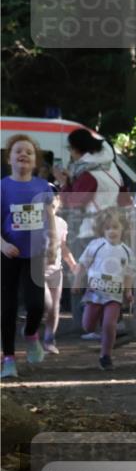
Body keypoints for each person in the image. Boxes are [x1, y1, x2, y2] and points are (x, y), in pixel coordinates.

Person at [1, 134, 58, 378]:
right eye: (18, 151)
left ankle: (31, 334)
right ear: (9, 158)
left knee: (37, 304)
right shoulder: (3, 186)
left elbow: (50, 217)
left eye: (29, 152)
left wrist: (54, 243)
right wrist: (2, 245)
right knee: (8, 307)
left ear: (35, 161)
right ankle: (9, 359)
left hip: (35, 253)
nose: (23, 154)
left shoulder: (42, 187)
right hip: (9, 254)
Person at [74, 209, 135, 370]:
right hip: (95, 293)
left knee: (109, 325)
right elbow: (82, 265)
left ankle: (105, 356)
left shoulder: (127, 252)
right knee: (87, 326)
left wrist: (128, 291)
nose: (112, 231)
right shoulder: (95, 245)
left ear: (123, 228)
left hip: (114, 295)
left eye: (115, 227)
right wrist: (77, 282)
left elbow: (129, 274)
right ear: (102, 230)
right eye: (108, 228)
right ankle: (92, 313)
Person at [55, 128, 124, 241]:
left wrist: (63, 183)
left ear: (76, 149)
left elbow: (73, 203)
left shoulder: (88, 174)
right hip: (112, 226)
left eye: (70, 149)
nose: (70, 154)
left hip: (92, 230)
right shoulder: (110, 166)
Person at [41, 193, 77, 354]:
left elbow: (62, 246)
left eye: (53, 204)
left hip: (56, 270)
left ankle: (49, 339)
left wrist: (72, 263)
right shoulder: (35, 222)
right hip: (37, 270)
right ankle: (31, 330)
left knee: (55, 307)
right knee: (45, 303)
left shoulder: (62, 223)